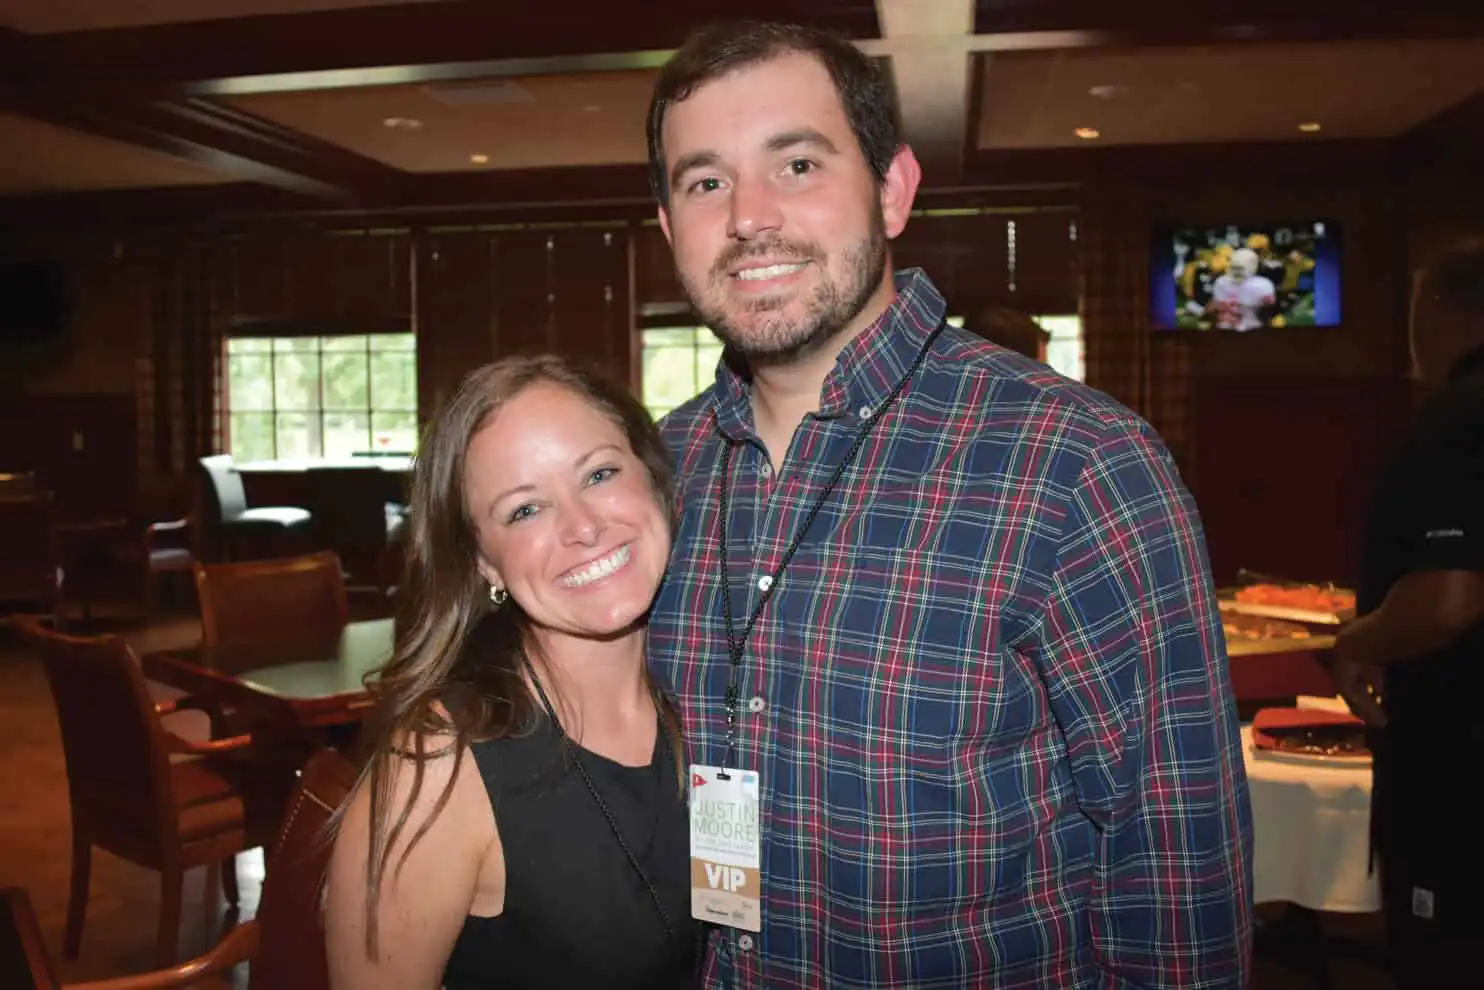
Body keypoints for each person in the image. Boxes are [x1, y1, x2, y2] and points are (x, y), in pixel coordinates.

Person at [644, 20, 1253, 990]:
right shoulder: (652, 473)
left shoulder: (1078, 465)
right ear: (670, 226)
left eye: (796, 164)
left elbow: (1174, 876)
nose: (749, 216)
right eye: (706, 182)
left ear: (892, 189)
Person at [324, 355, 699, 989]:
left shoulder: (711, 691)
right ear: (484, 564)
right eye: (525, 510)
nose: (584, 527)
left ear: (654, 479)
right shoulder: (439, 766)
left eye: (600, 473)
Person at [1333, 240, 1484, 989]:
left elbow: (1451, 598)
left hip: (1460, 767)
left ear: (1439, 309)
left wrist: (1356, 641)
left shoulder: (1460, 418)